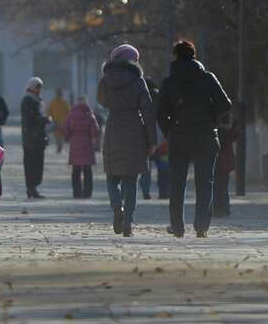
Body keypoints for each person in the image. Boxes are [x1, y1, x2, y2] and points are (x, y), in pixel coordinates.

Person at [157, 40, 233, 237]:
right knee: (205, 181)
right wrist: (210, 117)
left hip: (179, 137)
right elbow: (226, 104)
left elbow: (160, 112)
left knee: (177, 183)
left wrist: (169, 131)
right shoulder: (207, 78)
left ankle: (177, 226)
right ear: (194, 56)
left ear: (175, 57)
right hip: (205, 136)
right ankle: (201, 226)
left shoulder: (169, 81)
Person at [98, 44, 159, 236]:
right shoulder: (138, 81)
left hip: (114, 128)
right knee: (130, 180)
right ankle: (128, 221)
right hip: (134, 130)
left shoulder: (105, 80)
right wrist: (152, 141)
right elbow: (148, 112)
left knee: (112, 176)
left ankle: (117, 206)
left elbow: (102, 101)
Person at [19, 77, 50, 199]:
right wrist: (45, 119)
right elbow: (30, 120)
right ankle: (31, 188)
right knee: (32, 165)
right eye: (37, 87)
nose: (39, 90)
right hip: (31, 139)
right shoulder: (28, 101)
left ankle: (33, 188)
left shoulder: (36, 101)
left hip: (37, 139)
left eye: (40, 88)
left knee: (37, 164)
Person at [65, 96, 100, 198]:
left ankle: (77, 192)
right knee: (87, 170)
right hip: (87, 144)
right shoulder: (89, 115)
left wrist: (68, 138)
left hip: (75, 144)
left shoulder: (71, 115)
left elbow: (66, 129)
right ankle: (87, 193)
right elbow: (95, 131)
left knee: (76, 170)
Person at [47, 89, 70, 153]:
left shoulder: (63, 103)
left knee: (59, 136)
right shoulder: (62, 102)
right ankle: (59, 146)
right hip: (58, 122)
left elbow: (69, 112)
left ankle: (59, 147)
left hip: (60, 122)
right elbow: (49, 111)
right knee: (58, 136)